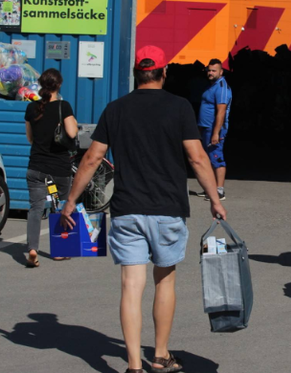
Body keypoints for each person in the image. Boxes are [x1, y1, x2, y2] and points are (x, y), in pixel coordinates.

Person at [60, 45, 227, 373]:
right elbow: (196, 157)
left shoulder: (116, 108)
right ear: (164, 73)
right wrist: (215, 199)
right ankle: (160, 355)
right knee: (164, 281)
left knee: (130, 286)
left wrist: (70, 201)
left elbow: (93, 158)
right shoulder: (179, 108)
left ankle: (134, 365)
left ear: (137, 74)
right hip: (167, 208)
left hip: (127, 209)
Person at [24, 68, 78, 267]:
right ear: (59, 85)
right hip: (58, 172)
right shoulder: (63, 106)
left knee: (36, 208)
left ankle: (32, 248)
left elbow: (30, 138)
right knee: (58, 205)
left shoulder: (31, 108)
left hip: (37, 169)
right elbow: (71, 134)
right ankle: (59, 250)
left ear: (41, 85)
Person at [196, 58, 232, 201]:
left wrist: (216, 132)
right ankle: (210, 188)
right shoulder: (211, 86)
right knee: (207, 158)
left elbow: (221, 112)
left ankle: (220, 191)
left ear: (221, 72)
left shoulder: (222, 87)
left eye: (213, 70)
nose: (210, 73)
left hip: (214, 129)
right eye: (209, 70)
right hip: (205, 128)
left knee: (217, 158)